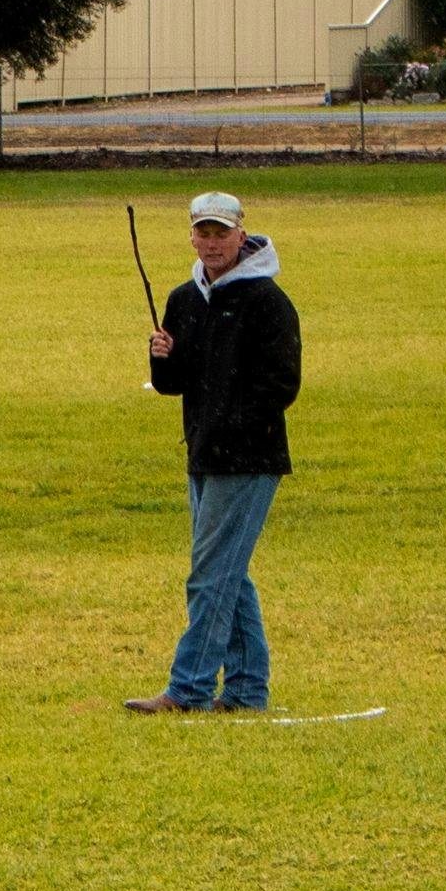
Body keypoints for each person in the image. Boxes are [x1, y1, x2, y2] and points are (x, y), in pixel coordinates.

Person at [129, 190, 301, 714]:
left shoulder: (268, 302)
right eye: (202, 232)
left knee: (209, 574)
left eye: (220, 233)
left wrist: (234, 426)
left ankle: (189, 688)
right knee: (229, 571)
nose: (211, 242)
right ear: (192, 236)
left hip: (249, 460)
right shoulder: (185, 299)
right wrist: (160, 358)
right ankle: (247, 691)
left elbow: (282, 384)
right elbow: (174, 385)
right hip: (202, 454)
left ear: (241, 235)